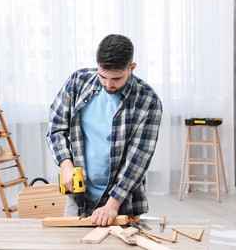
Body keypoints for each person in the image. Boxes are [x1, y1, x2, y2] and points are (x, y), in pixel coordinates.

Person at [46, 34, 163, 226]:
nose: (108, 84)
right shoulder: (78, 82)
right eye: (103, 76)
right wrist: (65, 166)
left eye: (116, 78)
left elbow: (138, 159)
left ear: (131, 68)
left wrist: (112, 205)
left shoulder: (148, 101)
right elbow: (56, 128)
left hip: (121, 202)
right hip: (79, 196)